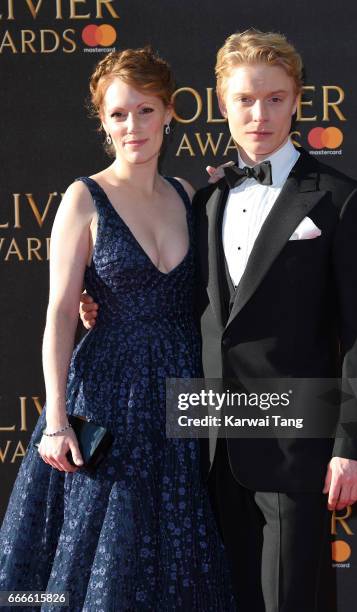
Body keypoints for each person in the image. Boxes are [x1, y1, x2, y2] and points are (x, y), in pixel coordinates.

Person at [80, 31, 357, 612]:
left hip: (297, 444)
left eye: (275, 99)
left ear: (298, 100)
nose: (260, 115)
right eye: (246, 100)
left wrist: (356, 445)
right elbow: (175, 295)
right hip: (206, 445)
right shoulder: (204, 200)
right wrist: (102, 301)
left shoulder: (343, 200)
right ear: (221, 104)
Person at [0, 48, 235, 611]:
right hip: (110, 394)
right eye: (118, 115)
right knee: (108, 547)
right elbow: (60, 311)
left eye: (146, 111)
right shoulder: (84, 197)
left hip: (185, 393)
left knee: (182, 544)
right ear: (103, 121)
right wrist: (55, 418)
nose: (133, 127)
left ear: (170, 113)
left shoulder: (188, 195)